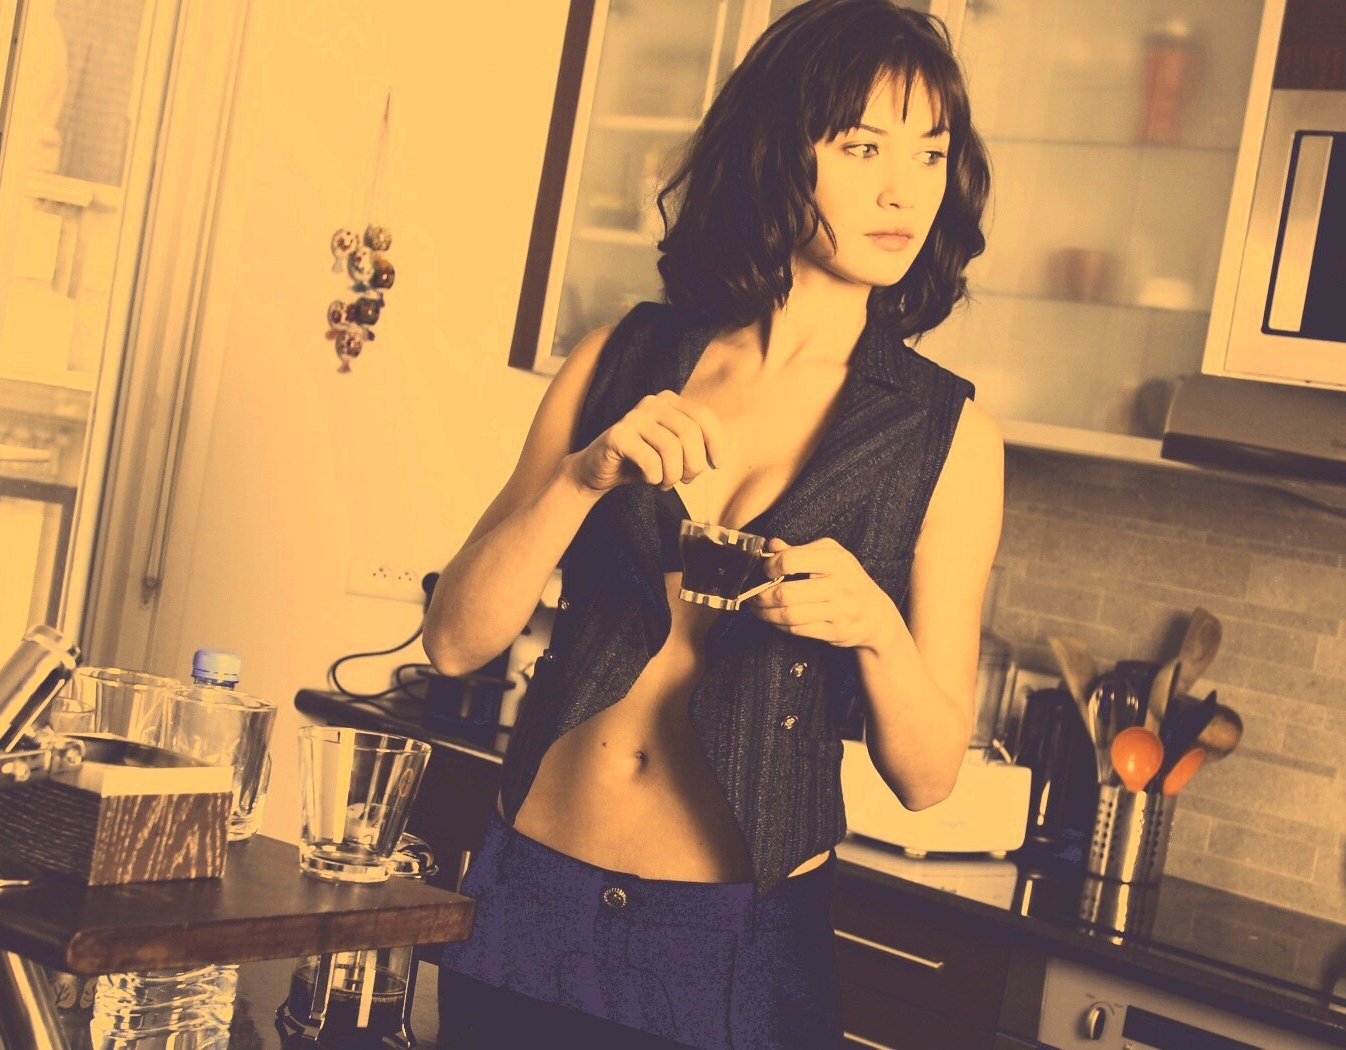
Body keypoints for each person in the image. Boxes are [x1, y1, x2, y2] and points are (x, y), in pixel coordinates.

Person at [422, 1, 1001, 1046]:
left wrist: (874, 627)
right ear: (782, 151)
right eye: (863, 146)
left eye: (930, 151)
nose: (904, 189)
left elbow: (928, 777)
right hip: (528, 900)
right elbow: (456, 639)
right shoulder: (620, 359)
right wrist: (581, 479)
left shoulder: (946, 436)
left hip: (734, 948)